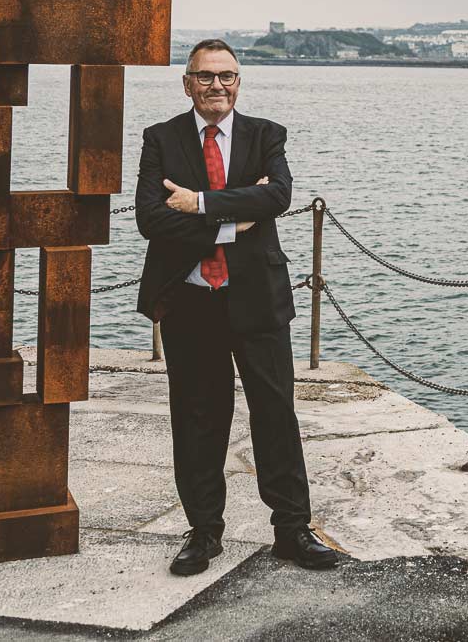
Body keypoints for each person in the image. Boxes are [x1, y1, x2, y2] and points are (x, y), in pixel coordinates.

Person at [134, 39, 339, 575]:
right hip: (191, 301)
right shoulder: (161, 139)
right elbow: (152, 219)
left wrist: (199, 205)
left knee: (275, 415)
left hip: (257, 301)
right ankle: (203, 532)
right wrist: (233, 220)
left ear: (239, 82)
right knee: (198, 419)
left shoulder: (265, 135)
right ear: (187, 84)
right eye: (205, 77)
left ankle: (292, 529)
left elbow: (277, 198)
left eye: (226, 76)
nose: (216, 86)